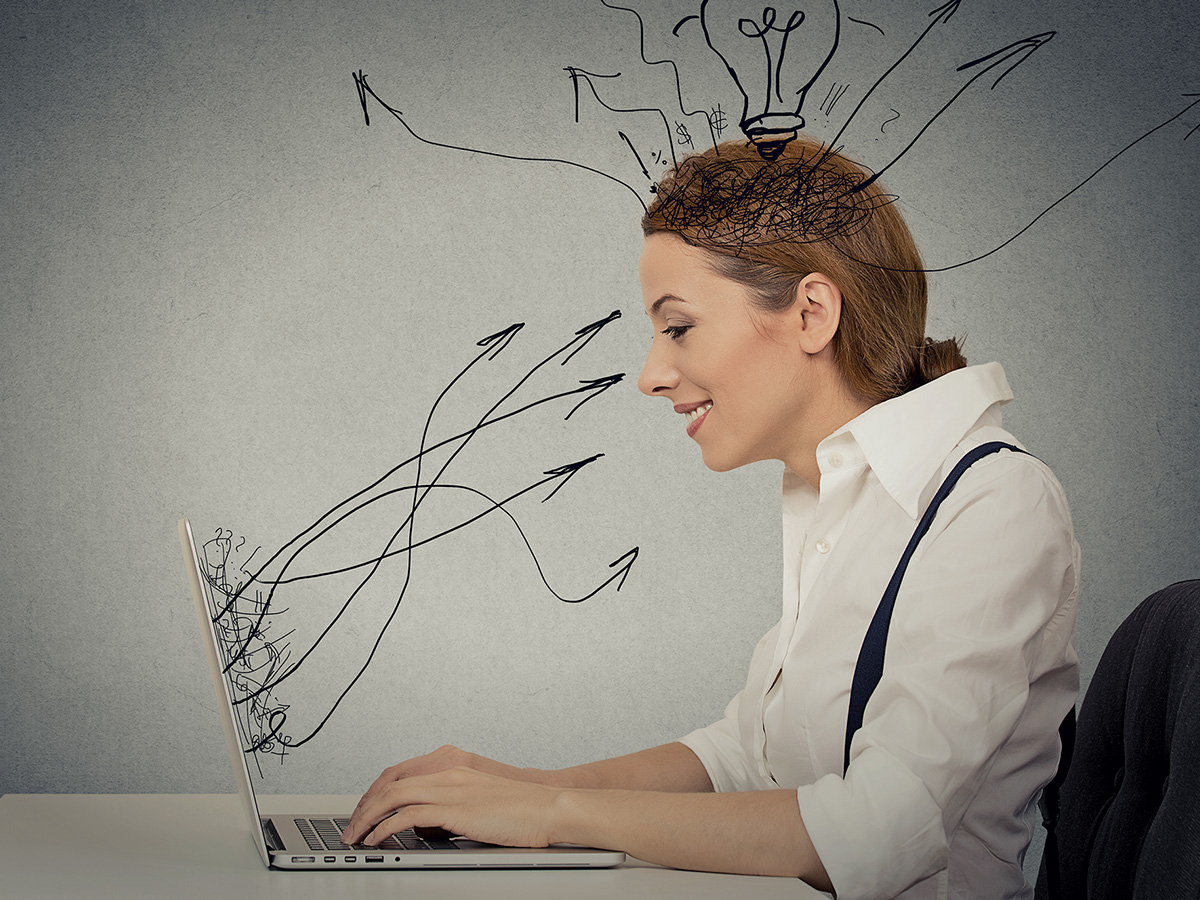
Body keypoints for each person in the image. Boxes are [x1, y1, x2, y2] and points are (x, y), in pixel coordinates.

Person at [341, 138, 1080, 899]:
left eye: (678, 326)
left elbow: (875, 829)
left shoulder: (991, 503)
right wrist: (519, 787)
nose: (651, 375)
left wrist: (551, 812)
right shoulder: (829, 493)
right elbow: (742, 760)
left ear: (812, 313)